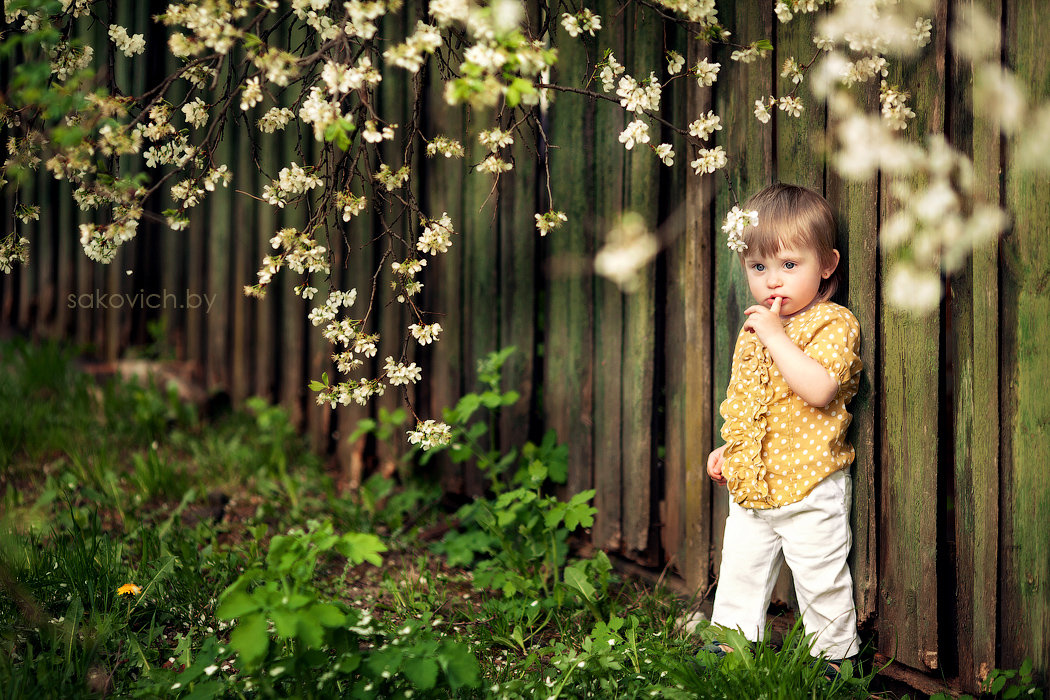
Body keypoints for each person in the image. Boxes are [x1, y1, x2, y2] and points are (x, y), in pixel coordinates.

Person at [705, 183, 862, 670]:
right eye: (759, 267)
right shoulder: (757, 328)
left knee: (819, 575)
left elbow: (818, 390)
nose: (773, 281)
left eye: (790, 265)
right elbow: (752, 399)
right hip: (754, 483)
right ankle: (730, 645)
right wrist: (730, 447)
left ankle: (835, 658)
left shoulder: (832, 324)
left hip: (810, 484)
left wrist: (775, 337)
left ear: (827, 265)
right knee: (740, 569)